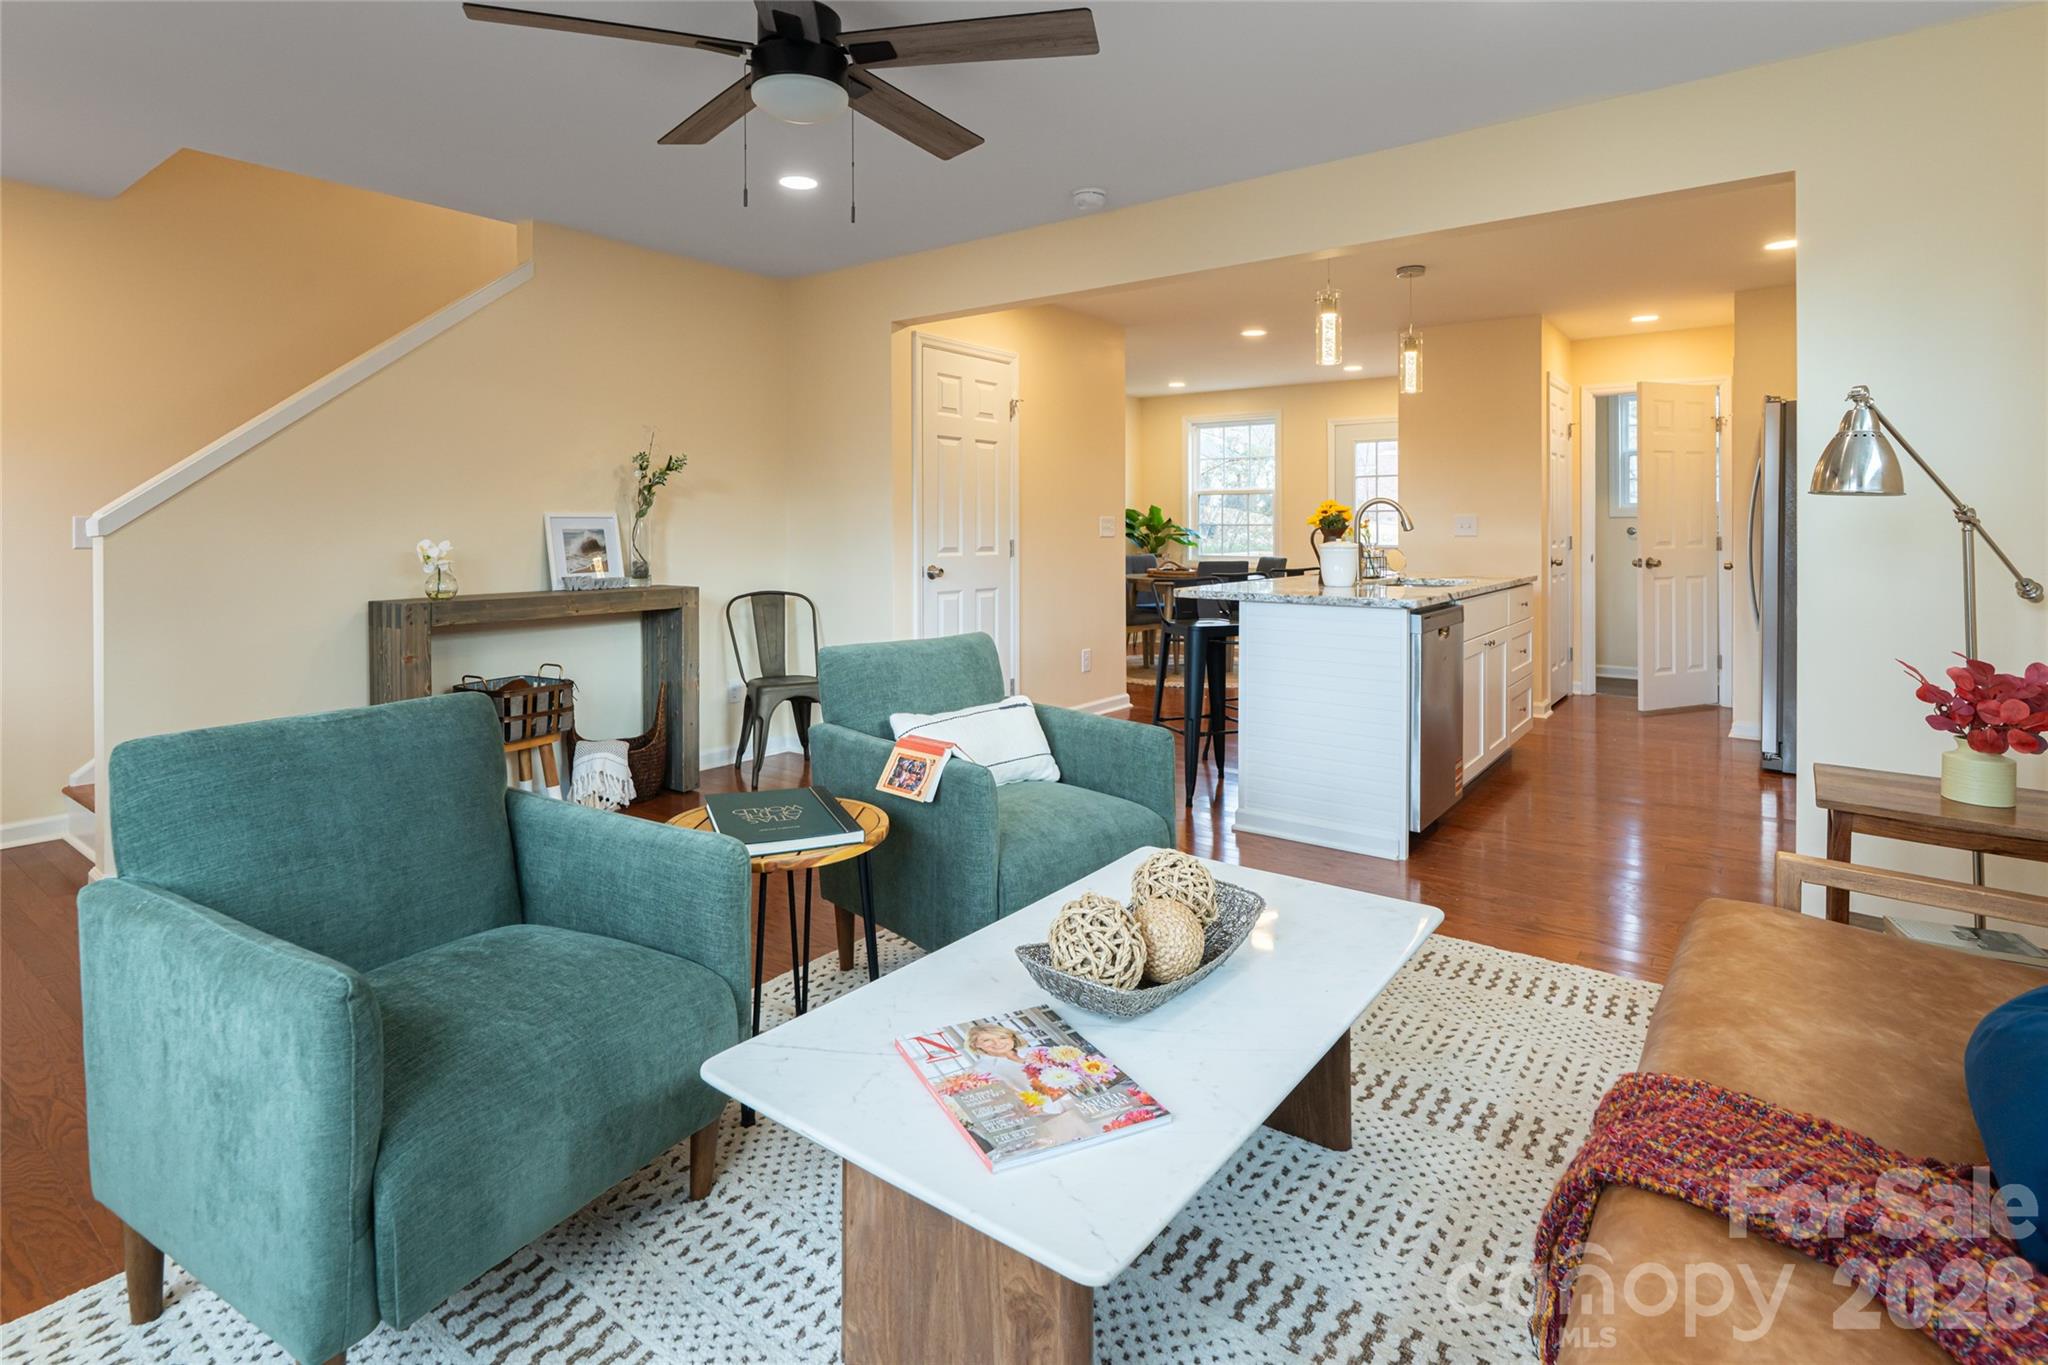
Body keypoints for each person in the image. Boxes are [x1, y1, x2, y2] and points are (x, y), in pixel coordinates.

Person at [964, 1022, 1097, 1146]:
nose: (997, 1043)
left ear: (1011, 1037)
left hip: (1082, 1102)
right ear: (975, 1045)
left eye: (1002, 1037)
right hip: (1048, 1117)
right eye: (987, 1040)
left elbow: (1077, 1073)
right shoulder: (978, 1070)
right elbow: (995, 1103)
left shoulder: (1040, 1050)